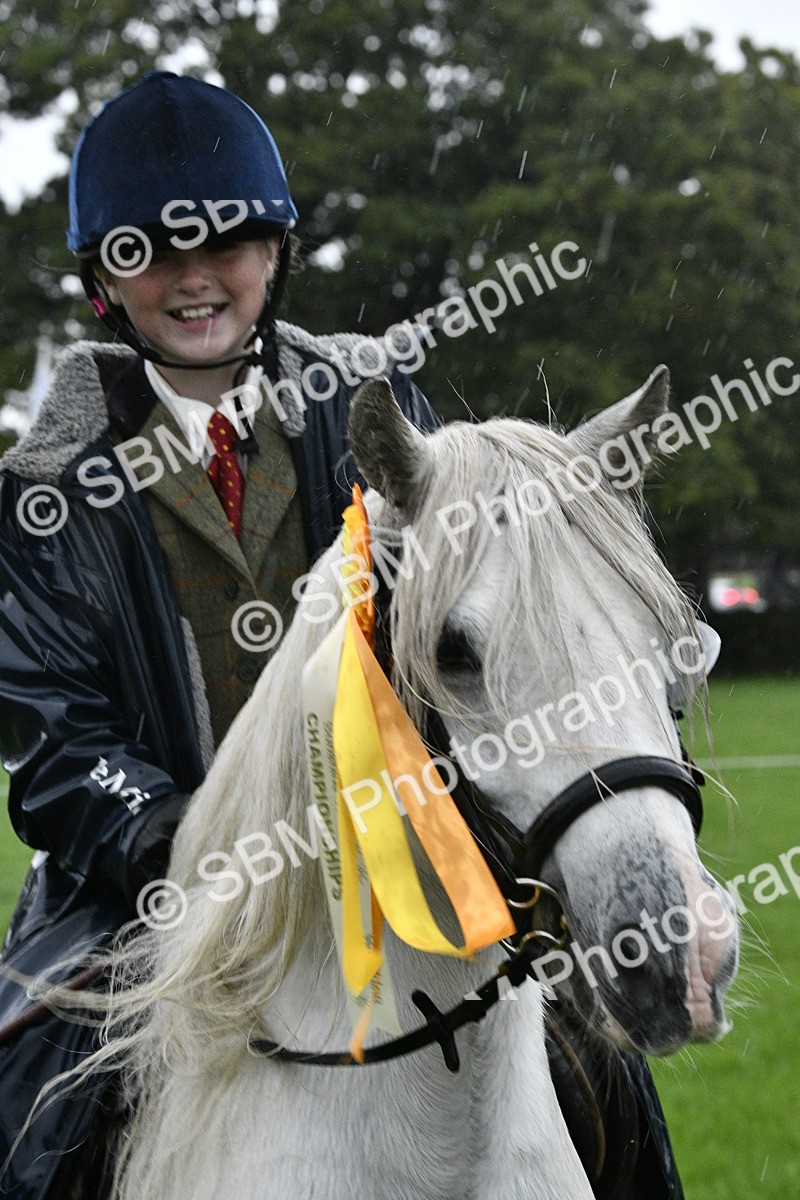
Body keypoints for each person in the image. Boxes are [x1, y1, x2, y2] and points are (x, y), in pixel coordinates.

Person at [0, 70, 684, 1200]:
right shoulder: (43, 489)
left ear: (274, 254)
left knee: (599, 1074)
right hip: (139, 890)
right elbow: (54, 742)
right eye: (148, 251)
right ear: (100, 281)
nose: (192, 276)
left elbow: (470, 631)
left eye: (226, 243)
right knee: (34, 1105)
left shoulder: (377, 411)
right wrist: (179, 844)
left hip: (396, 859)